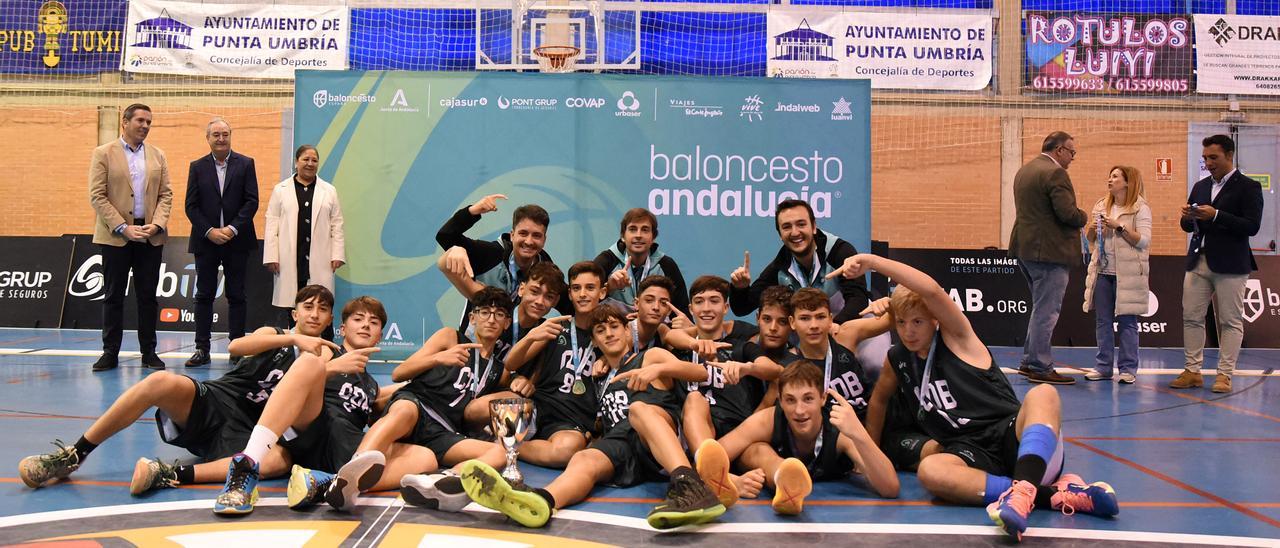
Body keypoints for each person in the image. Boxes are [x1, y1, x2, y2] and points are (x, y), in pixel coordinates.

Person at [842, 254, 1117, 543]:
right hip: (969, 452)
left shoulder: (959, 339)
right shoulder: (897, 359)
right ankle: (1052, 495)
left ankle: (1024, 490)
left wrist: (872, 262)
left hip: (1013, 437)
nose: (908, 331)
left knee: (1044, 393)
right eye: (901, 322)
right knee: (931, 472)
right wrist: (868, 452)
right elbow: (879, 400)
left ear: (936, 320)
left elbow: (931, 290)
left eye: (918, 321)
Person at [18, 285, 338, 490]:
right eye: (308, 307)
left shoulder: (325, 355)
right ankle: (75, 454)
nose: (314, 313)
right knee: (159, 380)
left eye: (322, 309)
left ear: (329, 319)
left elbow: (324, 380)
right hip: (218, 402)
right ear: (295, 313)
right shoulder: (275, 332)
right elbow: (237, 346)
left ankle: (169, 474)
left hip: (253, 431)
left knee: (275, 463)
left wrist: (316, 350)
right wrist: (293, 337)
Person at [458, 305, 725, 530]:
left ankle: (689, 485)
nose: (608, 334)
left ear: (627, 332)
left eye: (614, 327)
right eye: (600, 330)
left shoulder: (649, 357)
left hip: (657, 440)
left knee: (639, 410)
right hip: (622, 442)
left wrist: (660, 369)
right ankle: (542, 501)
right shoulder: (600, 379)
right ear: (595, 342)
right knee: (584, 458)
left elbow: (698, 372)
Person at [322, 288, 511, 512]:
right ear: (472, 317)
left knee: (499, 453)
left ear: (507, 323)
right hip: (417, 404)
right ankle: (354, 468)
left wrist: (522, 384)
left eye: (499, 314)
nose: (491, 319)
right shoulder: (450, 337)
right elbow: (400, 373)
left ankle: (441, 482)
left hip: (443, 431)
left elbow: (520, 387)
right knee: (404, 411)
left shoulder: (499, 371)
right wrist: (437, 358)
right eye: (484, 312)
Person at [212, 296, 385, 515]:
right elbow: (294, 379)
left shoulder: (372, 385)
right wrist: (331, 367)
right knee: (310, 363)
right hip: (313, 429)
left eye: (374, 322)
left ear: (380, 336)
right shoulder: (325, 350)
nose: (366, 325)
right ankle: (246, 465)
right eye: (358, 319)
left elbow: (388, 398)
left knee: (422, 457)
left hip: (344, 449)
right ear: (342, 329)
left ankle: (329, 481)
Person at [701, 361, 899, 515]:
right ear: (780, 399)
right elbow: (708, 462)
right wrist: (731, 480)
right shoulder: (766, 420)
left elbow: (890, 488)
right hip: (763, 463)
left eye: (808, 399)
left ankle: (788, 481)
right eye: (790, 400)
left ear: (823, 398)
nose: (799, 410)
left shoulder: (840, 430)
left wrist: (859, 433)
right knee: (759, 450)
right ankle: (785, 479)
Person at [727, 199, 885, 377]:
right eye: (786, 227)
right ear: (780, 235)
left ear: (814, 226)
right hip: (814, 335)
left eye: (801, 224)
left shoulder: (839, 251)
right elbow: (742, 307)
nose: (795, 232)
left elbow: (858, 299)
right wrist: (739, 288)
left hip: (851, 327)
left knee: (873, 364)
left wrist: (836, 326)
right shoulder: (781, 265)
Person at [1172, 135, 1265, 394]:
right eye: (1205, 158)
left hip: (1231, 263)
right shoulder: (1201, 186)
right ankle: (1192, 371)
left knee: (1230, 321)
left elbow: (1252, 226)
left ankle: (1224, 375)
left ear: (1229, 155)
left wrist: (1216, 215)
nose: (1208, 162)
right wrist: (1188, 217)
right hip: (1198, 260)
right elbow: (1187, 226)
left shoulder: (1249, 187)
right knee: (1191, 316)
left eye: (1214, 157)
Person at [87, 103, 173, 372]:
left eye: (149, 121)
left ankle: (149, 352)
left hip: (149, 236)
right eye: (140, 121)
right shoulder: (103, 153)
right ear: (125, 122)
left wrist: (157, 224)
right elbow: (97, 196)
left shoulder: (158, 155)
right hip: (116, 237)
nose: (145, 126)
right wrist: (123, 227)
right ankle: (110, 352)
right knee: (113, 296)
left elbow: (166, 194)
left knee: (148, 297)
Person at [501, 261, 607, 468]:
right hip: (536, 409)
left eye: (590, 288)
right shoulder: (555, 327)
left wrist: (605, 358)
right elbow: (511, 362)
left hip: (570, 420)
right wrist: (531, 337)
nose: (582, 294)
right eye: (576, 288)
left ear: (602, 292)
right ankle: (502, 439)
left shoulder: (609, 333)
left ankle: (503, 444)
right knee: (481, 409)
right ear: (569, 294)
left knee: (565, 452)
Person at [1008, 131, 1087, 385]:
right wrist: (1084, 216)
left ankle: (1029, 362)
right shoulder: (1055, 173)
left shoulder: (1025, 170)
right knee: (1047, 310)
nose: (1072, 158)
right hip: (1049, 253)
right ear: (1060, 150)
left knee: (1040, 307)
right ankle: (1040, 366)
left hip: (1025, 249)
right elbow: (1067, 214)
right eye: (1071, 152)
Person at [184, 118, 259, 367]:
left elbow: (252, 201)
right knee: (203, 296)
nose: (221, 138)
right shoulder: (196, 167)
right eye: (215, 134)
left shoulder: (246, 164)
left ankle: (237, 348)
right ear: (208, 138)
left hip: (237, 241)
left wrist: (232, 228)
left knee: (237, 295)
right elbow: (191, 206)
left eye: (225, 134)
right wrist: (209, 231)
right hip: (206, 242)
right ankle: (201, 349)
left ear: (230, 136)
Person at [436, 195, 568, 328]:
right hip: (475, 340)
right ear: (512, 235)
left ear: (544, 240)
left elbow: (568, 304)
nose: (529, 241)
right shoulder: (490, 254)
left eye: (536, 236)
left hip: (517, 345)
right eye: (523, 233)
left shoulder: (545, 267)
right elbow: (445, 236)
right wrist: (472, 211)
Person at [265, 145, 345, 337]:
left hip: (320, 259)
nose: (310, 163)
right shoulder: (280, 190)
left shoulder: (329, 190)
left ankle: (325, 351)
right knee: (292, 307)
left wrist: (337, 254)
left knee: (321, 304)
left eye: (314, 160)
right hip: (290, 258)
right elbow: (271, 222)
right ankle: (293, 352)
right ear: (296, 162)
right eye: (305, 159)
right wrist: (271, 256)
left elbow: (337, 224)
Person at [1083, 166, 1152, 385]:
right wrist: (1093, 228)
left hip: (1128, 274)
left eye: (1115, 176)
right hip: (1103, 271)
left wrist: (1119, 227)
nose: (1110, 180)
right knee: (1102, 321)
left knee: (1127, 321)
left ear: (1128, 182)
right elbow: (1090, 240)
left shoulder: (1140, 208)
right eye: (1109, 176)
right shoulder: (1101, 205)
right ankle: (1103, 366)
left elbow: (1143, 241)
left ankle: (1128, 368)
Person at [593, 208, 689, 315]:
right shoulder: (606, 261)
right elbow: (586, 305)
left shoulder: (667, 265)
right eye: (633, 229)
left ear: (653, 237)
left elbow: (682, 311)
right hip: (612, 330)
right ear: (623, 236)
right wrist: (609, 288)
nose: (638, 235)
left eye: (645, 230)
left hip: (655, 330)